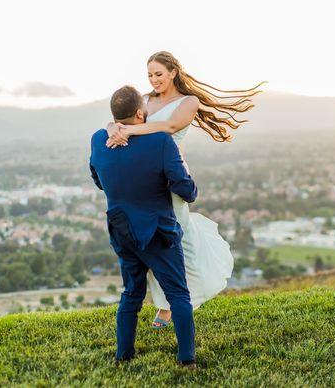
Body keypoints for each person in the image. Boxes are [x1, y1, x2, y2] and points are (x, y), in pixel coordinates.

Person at [106, 51, 263, 327]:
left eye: (159, 74)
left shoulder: (189, 102)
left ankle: (171, 304)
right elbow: (123, 118)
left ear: (173, 72)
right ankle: (166, 303)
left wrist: (127, 132)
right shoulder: (144, 100)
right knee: (148, 237)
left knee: (174, 234)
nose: (154, 80)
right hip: (144, 175)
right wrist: (112, 128)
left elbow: (169, 126)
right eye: (150, 75)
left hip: (170, 173)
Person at [89, 85, 198, 367]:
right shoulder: (160, 141)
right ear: (141, 113)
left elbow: (98, 178)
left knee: (131, 294)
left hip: (121, 229)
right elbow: (185, 189)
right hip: (157, 231)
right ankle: (187, 359)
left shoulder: (99, 139)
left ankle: (123, 355)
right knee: (178, 295)